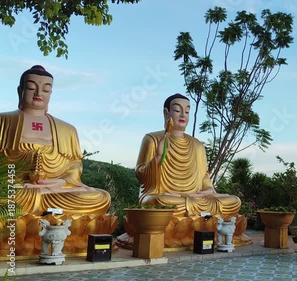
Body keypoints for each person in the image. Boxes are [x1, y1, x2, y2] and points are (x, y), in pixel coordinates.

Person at [0, 65, 111, 215]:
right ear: (20, 91)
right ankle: (52, 216)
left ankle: (43, 214)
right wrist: (13, 183)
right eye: (32, 88)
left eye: (46, 89)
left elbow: (75, 166)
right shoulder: (4, 121)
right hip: (13, 191)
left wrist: (63, 182)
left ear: (50, 93)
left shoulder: (67, 129)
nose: (39, 93)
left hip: (54, 192)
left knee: (100, 197)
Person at [136, 93, 241, 217]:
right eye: (177, 110)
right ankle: (204, 217)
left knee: (234, 201)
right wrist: (158, 157)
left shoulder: (197, 145)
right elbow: (141, 175)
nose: (182, 115)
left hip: (194, 198)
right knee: (156, 201)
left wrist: (208, 191)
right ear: (166, 113)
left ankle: (197, 215)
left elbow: (204, 177)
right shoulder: (152, 139)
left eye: (187, 112)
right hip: (167, 197)